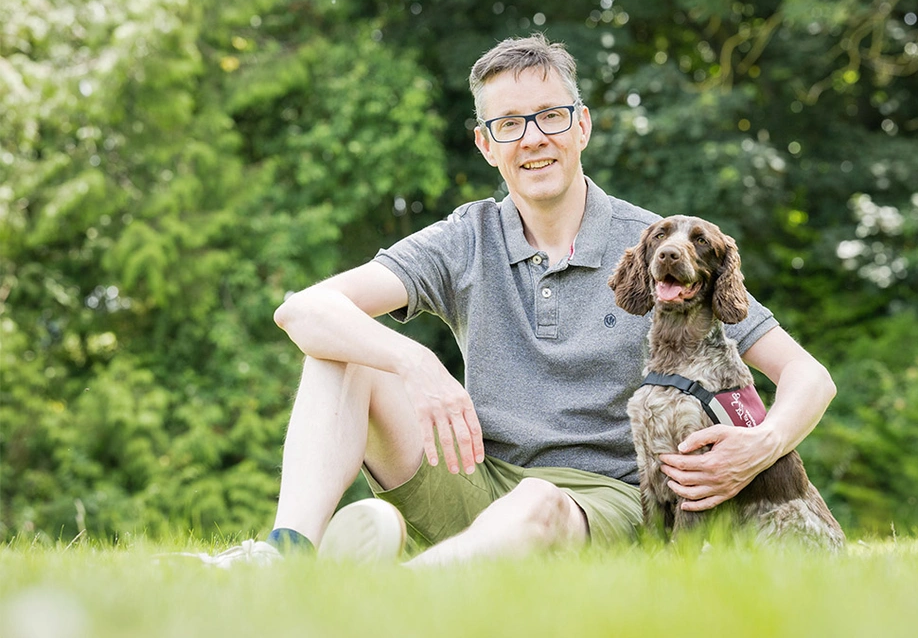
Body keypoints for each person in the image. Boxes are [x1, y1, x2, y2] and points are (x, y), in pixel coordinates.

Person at [209, 33, 836, 567]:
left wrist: (766, 440)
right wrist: (415, 363)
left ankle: (388, 594)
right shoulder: (467, 234)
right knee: (342, 348)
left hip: (600, 502)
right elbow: (302, 310)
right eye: (510, 124)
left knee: (537, 504)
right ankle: (285, 556)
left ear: (582, 125)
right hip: (476, 473)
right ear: (487, 144)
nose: (533, 138)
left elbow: (809, 376)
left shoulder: (655, 247)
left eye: (550, 116)